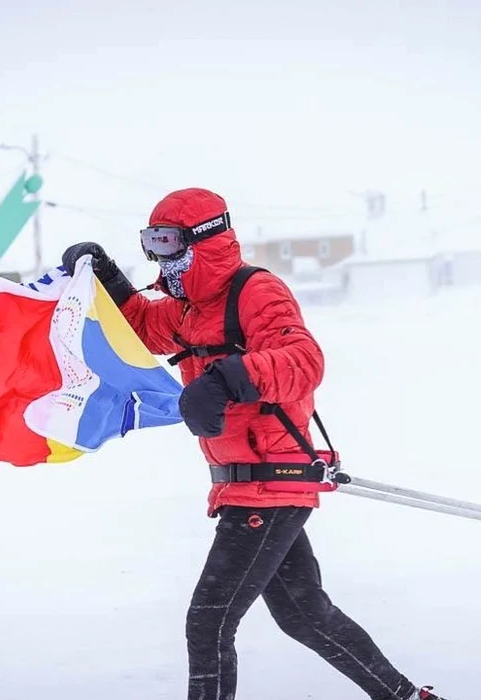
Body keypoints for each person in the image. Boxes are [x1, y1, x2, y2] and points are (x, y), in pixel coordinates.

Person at [62, 188, 447, 700]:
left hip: (270, 480)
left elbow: (304, 360)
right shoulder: (189, 307)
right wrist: (108, 277)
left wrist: (227, 378)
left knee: (208, 621)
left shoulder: (256, 292)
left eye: (169, 241)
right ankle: (407, 696)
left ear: (204, 240)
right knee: (306, 616)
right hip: (247, 482)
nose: (160, 255)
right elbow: (142, 329)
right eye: (150, 242)